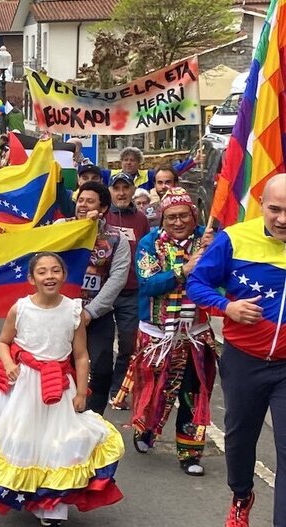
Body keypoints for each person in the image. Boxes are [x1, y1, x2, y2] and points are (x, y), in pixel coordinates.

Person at [0, 253, 124, 525]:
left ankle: (53, 506)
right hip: (23, 387)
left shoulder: (74, 311)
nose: (49, 276)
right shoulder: (20, 309)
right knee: (25, 440)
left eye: (55, 270)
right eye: (42, 272)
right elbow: (3, 341)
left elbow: (80, 355)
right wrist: (8, 364)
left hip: (59, 386)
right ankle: (26, 493)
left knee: (60, 441)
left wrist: (80, 392)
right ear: (32, 279)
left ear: (64, 276)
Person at [187, 173, 286, 526]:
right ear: (261, 206)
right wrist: (226, 308)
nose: (283, 219)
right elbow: (197, 283)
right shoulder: (234, 239)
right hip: (245, 361)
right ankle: (242, 494)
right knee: (240, 440)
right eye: (275, 209)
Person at [112, 187, 217, 477]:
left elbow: (220, 279)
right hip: (157, 335)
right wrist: (183, 270)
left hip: (194, 333)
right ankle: (145, 431)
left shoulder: (207, 241)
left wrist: (211, 254)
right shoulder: (148, 243)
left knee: (192, 394)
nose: (178, 222)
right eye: (171, 217)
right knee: (152, 389)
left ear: (194, 216)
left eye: (184, 215)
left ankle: (190, 452)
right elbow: (148, 284)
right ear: (162, 219)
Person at [67, 181, 131, 415]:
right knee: (62, 367)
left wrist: (90, 312)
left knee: (102, 369)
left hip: (97, 315)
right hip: (61, 313)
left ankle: (93, 418)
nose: (83, 205)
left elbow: (117, 279)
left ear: (103, 208)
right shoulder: (59, 228)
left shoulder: (116, 238)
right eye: (81, 200)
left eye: (90, 201)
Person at [105, 172, 151, 409]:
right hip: (103, 293)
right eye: (117, 188)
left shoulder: (142, 219)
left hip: (131, 292)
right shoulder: (102, 214)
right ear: (110, 191)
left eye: (126, 187)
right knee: (100, 347)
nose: (121, 192)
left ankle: (117, 390)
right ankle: (97, 385)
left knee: (127, 344)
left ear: (134, 190)